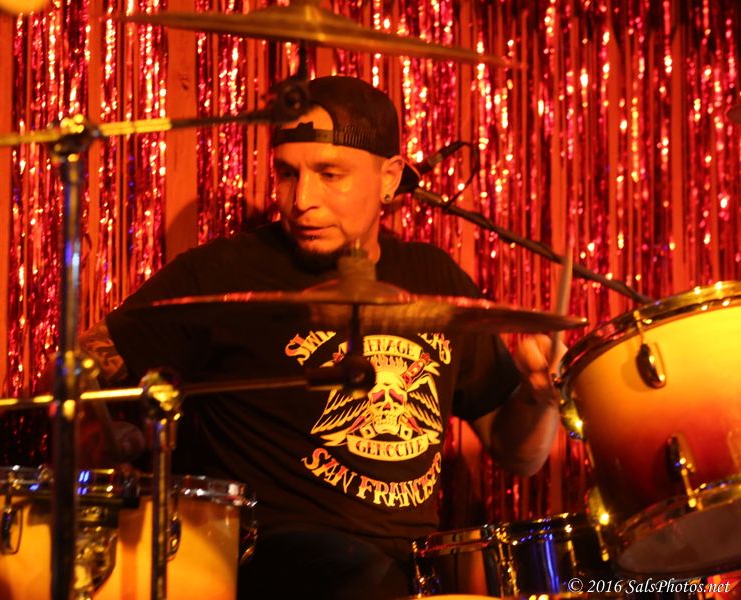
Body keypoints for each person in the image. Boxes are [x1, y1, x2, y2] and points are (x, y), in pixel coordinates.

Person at [78, 76, 562, 600]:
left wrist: (540, 396)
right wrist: (105, 438)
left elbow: (519, 454)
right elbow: (83, 367)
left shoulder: (435, 278)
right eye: (287, 174)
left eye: (330, 175)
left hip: (414, 570)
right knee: (349, 568)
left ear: (389, 178)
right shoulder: (222, 273)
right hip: (273, 565)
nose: (302, 200)